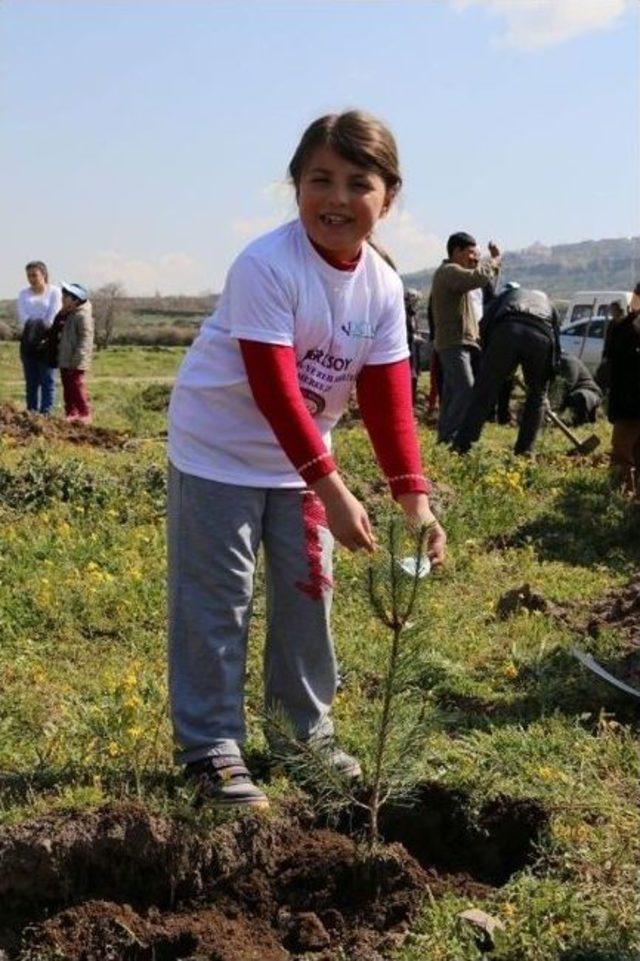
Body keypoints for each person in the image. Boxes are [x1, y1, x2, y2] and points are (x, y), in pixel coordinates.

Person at [167, 110, 446, 809]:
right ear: (295, 187)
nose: (337, 199)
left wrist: (413, 497)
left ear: (389, 197)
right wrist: (334, 486)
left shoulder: (381, 287)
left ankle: (304, 736)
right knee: (219, 598)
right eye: (319, 180)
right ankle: (210, 747)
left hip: (299, 461)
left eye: (359, 183)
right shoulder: (267, 265)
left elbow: (386, 397)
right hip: (219, 451)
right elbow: (275, 389)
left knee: (308, 595)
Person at [452, 285, 560, 456]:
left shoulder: (508, 295)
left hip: (507, 331)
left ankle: (462, 446)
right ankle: (525, 452)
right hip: (541, 337)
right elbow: (556, 344)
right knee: (537, 397)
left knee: (484, 392)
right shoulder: (549, 305)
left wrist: (489, 357)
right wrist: (545, 379)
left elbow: (484, 323)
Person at [430, 233, 501, 442]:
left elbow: (482, 281)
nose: (474, 259)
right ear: (456, 251)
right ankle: (452, 437)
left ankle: (444, 438)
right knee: (466, 389)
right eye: (471, 253)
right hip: (453, 343)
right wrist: (494, 260)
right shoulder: (449, 272)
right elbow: (478, 277)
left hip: (460, 342)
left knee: (453, 392)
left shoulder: (456, 276)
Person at [16, 260, 61, 415]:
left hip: (48, 340)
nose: (31, 278)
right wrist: (36, 323)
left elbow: (52, 316)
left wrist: (40, 324)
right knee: (31, 381)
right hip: (28, 340)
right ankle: (31, 413)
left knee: (47, 380)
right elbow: (23, 317)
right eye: (28, 275)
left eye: (34, 275)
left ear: (44, 274)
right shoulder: (23, 294)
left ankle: (46, 414)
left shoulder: (54, 292)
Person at [605, 298, 640, 495]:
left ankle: (621, 495)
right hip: (628, 402)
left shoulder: (627, 329)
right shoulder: (626, 327)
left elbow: (616, 363)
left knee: (622, 453)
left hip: (630, 404)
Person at [48, 282, 94, 423]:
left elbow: (86, 339)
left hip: (76, 359)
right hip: (65, 358)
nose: (62, 298)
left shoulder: (82, 316)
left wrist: (78, 359)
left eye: (66, 296)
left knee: (77, 385)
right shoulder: (67, 314)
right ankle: (71, 413)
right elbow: (55, 329)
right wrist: (61, 313)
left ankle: (85, 413)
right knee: (67, 387)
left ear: (75, 299)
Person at [554, 353, 602, 425]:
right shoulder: (550, 361)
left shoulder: (569, 361)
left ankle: (581, 421)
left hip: (588, 392)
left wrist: (557, 409)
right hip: (572, 394)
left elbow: (568, 384)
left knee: (578, 396)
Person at [404, 288, 421, 403]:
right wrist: (413, 337)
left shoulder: (414, 315)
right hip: (408, 351)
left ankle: (412, 403)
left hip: (415, 351)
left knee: (414, 377)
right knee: (409, 377)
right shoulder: (404, 314)